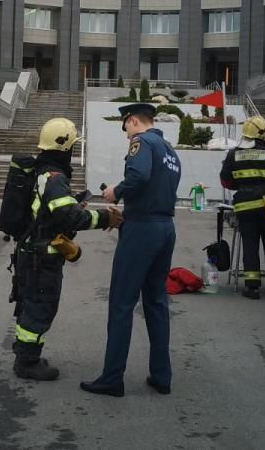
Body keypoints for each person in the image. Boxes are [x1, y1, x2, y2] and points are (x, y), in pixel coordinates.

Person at [83, 102, 181, 397]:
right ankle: (162, 376)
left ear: (135, 121)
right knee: (156, 301)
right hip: (165, 227)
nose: (126, 134)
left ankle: (112, 378)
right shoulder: (169, 150)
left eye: (125, 126)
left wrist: (116, 191)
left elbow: (138, 176)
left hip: (142, 230)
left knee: (122, 302)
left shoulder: (142, 142)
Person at [12, 118, 122, 381]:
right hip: (42, 258)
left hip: (30, 252)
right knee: (40, 306)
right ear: (65, 149)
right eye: (72, 146)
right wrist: (106, 218)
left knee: (30, 304)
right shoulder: (54, 178)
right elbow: (69, 218)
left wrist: (73, 206)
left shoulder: (41, 171)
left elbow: (50, 212)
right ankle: (27, 362)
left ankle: (26, 353)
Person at [219, 116, 265, 299]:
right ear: (263, 134)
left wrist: (241, 185)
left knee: (250, 245)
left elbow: (225, 181)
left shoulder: (232, 154)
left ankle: (252, 288)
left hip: (246, 208)